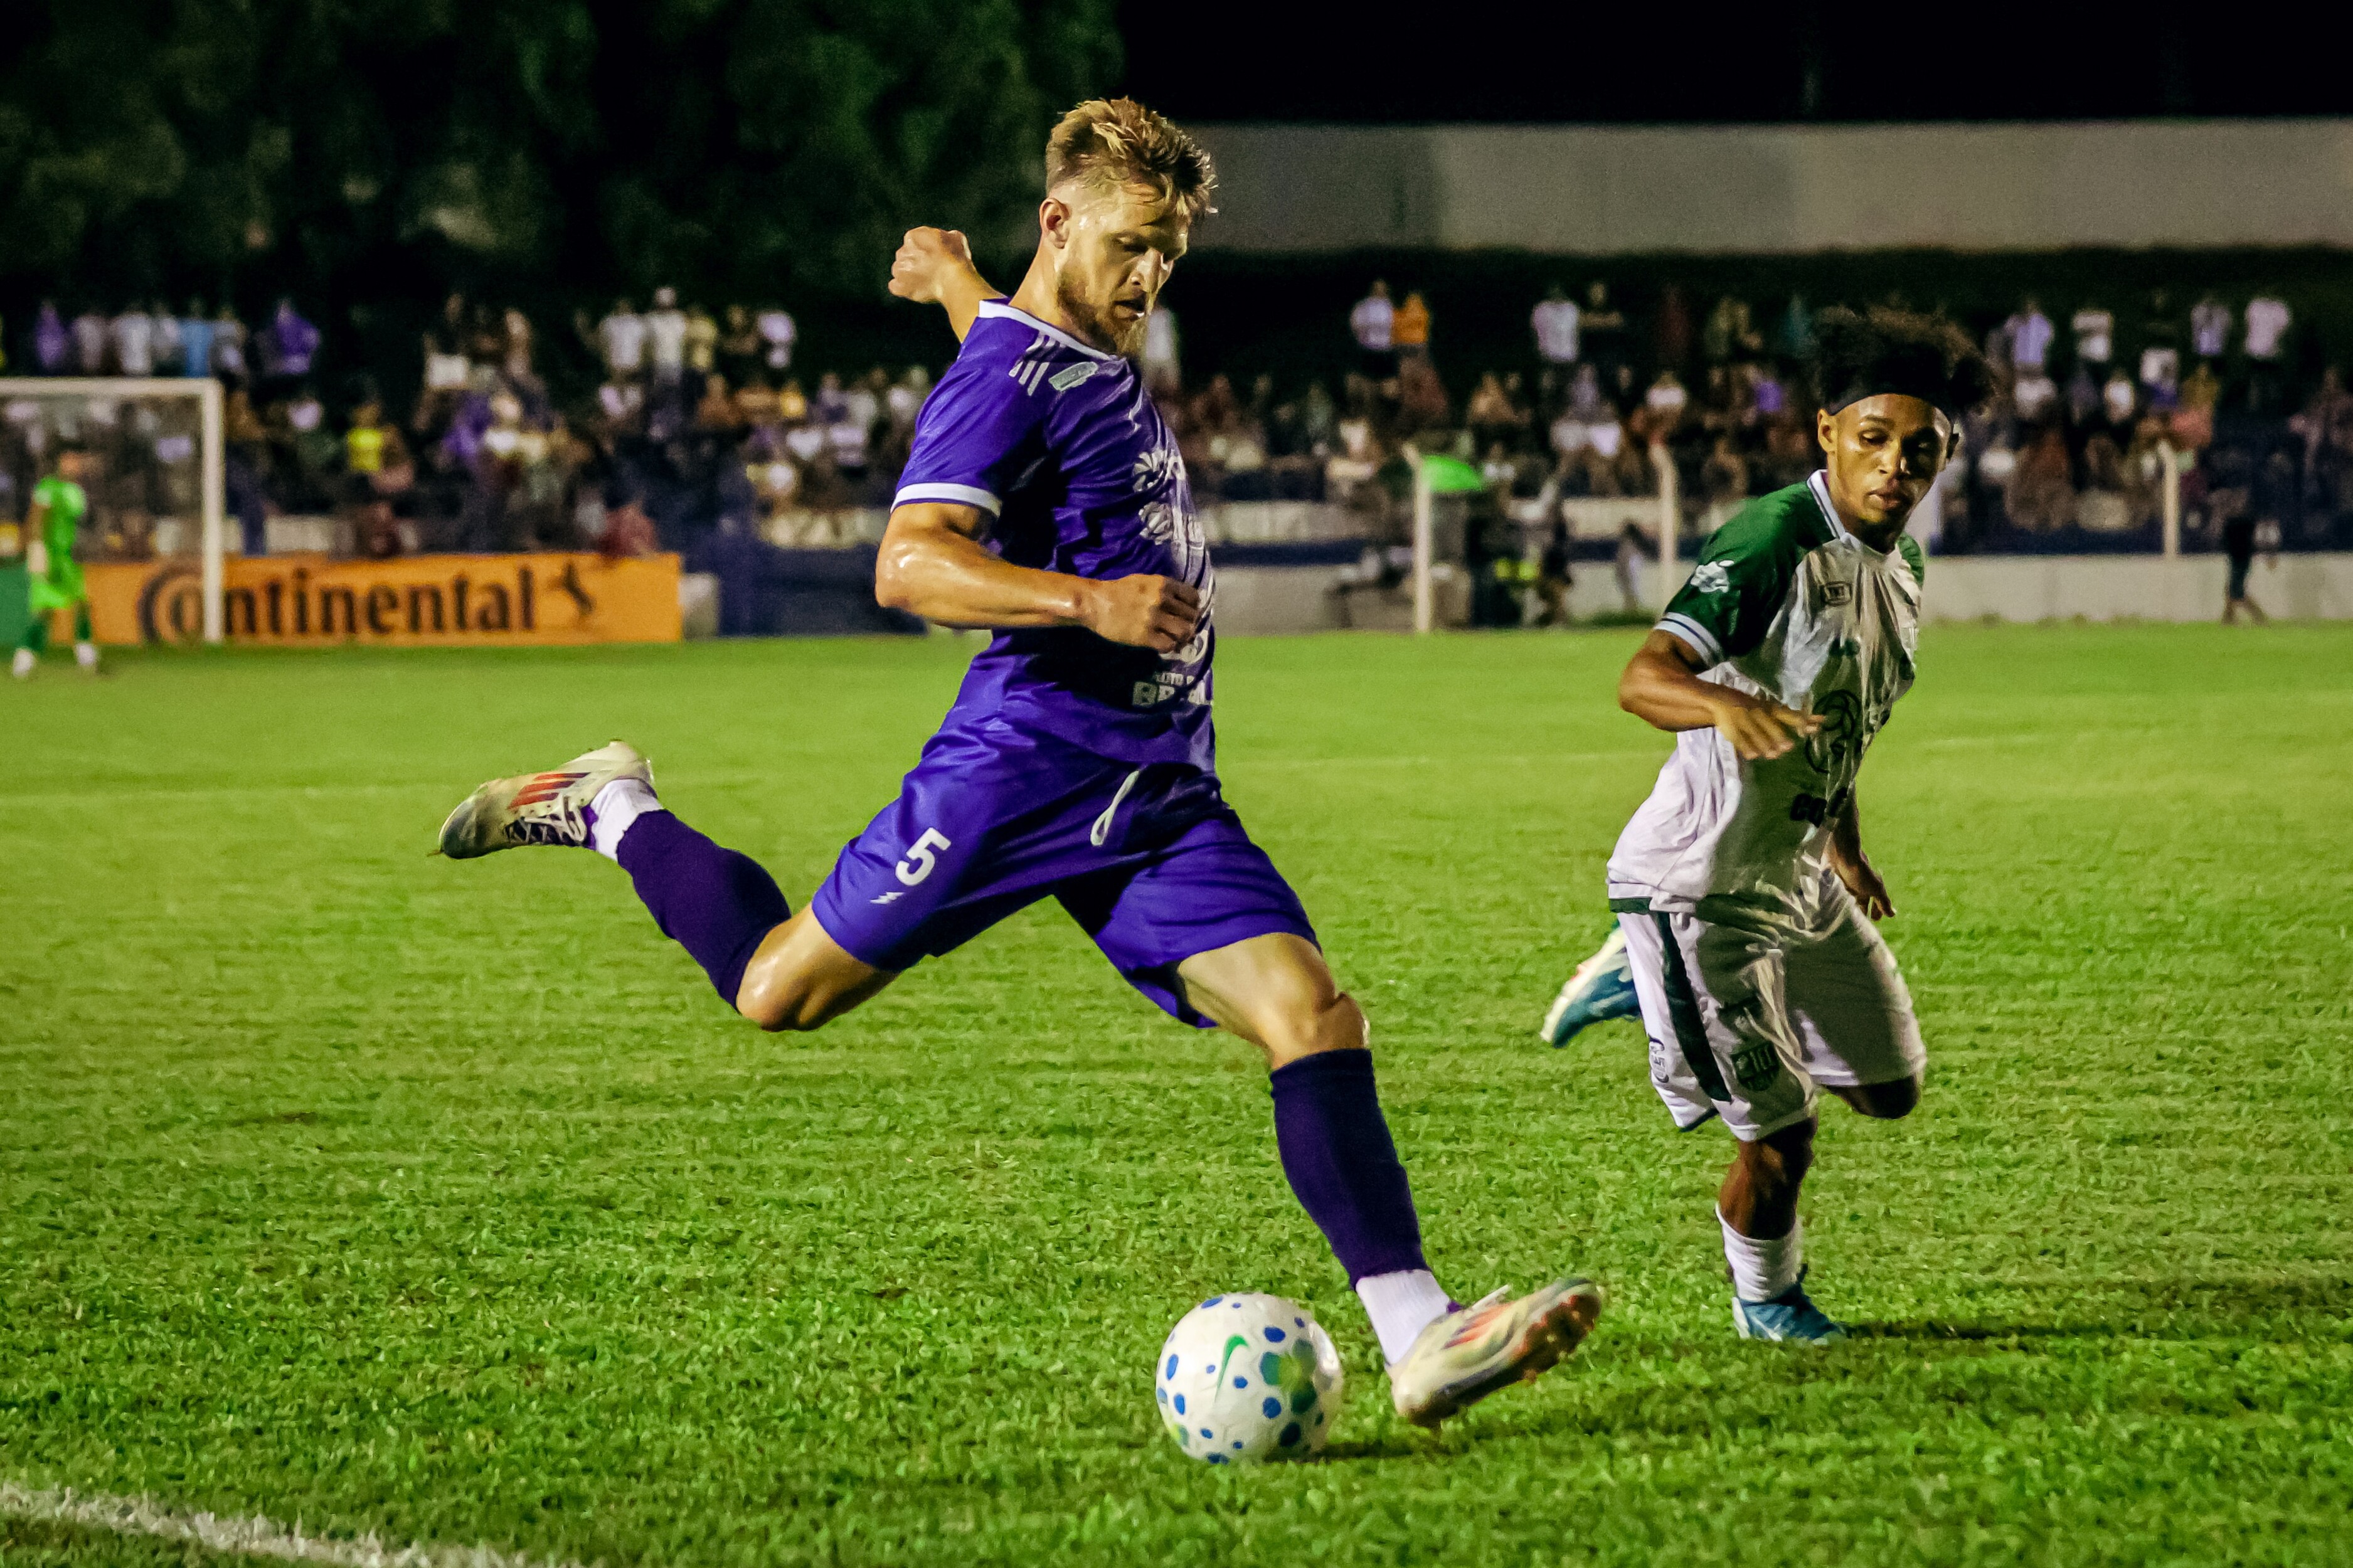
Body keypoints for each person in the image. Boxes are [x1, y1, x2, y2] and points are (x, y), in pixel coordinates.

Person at [432, 97, 1603, 1425]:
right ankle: (614, 805)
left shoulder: (1054, 336)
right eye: (1132, 244)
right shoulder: (1000, 376)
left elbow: (1025, 337)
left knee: (1313, 1015)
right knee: (776, 992)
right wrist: (1088, 600)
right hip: (1022, 763)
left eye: (1171, 250)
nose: (1153, 276)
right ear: (1060, 220)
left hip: (1155, 786)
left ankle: (1419, 1330)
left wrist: (957, 284)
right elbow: (908, 560)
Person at [1538, 306, 1991, 1342]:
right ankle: (1765, 1299)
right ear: (1827, 431)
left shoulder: (1903, 570)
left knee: (1890, 1091)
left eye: (1918, 449)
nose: (1894, 465)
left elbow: (1839, 719)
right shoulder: (1776, 535)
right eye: (1872, 438)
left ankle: (1635, 973)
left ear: (1945, 453)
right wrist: (1725, 704)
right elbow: (1643, 678)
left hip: (1797, 871)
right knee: (1781, 1140)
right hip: (1700, 887)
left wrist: (1843, 841)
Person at [13, 445, 102, 679]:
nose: (73, 465)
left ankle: (88, 659)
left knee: (82, 604)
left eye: (77, 460)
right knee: (45, 611)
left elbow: (77, 525)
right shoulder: (48, 487)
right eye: (68, 460)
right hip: (51, 554)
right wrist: (39, 551)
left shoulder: (77, 491)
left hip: (69, 558)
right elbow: (37, 518)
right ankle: (24, 660)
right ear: (60, 463)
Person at [2222, 510, 2268, 625]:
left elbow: (2228, 542)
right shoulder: (2245, 524)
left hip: (2239, 559)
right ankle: (2228, 619)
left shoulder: (2236, 524)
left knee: (2236, 593)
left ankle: (2259, 617)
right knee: (2232, 590)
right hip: (2240, 559)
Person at [1349, 280, 1395, 377]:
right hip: (1368, 350)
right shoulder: (1363, 306)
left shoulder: (1392, 306)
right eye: (1377, 287)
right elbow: (1355, 325)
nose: (1380, 290)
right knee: (1368, 379)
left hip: (1387, 351)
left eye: (1383, 287)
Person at [1532, 284, 1580, 369]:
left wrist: (1575, 354)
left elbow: (1576, 334)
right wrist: (1542, 353)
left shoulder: (1571, 309)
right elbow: (1537, 333)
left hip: (1568, 358)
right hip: (1548, 359)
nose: (1556, 294)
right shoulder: (1542, 309)